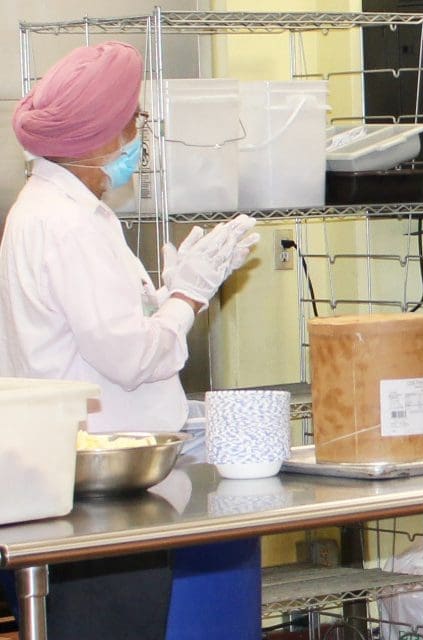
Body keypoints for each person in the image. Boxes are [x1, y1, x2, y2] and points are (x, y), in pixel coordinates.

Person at [0, 41, 260, 638]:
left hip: (74, 482)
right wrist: (186, 299)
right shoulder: (68, 226)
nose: (137, 136)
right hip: (100, 497)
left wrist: (157, 300)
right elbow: (132, 358)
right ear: (94, 138)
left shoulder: (50, 212)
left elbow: (95, 334)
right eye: (132, 122)